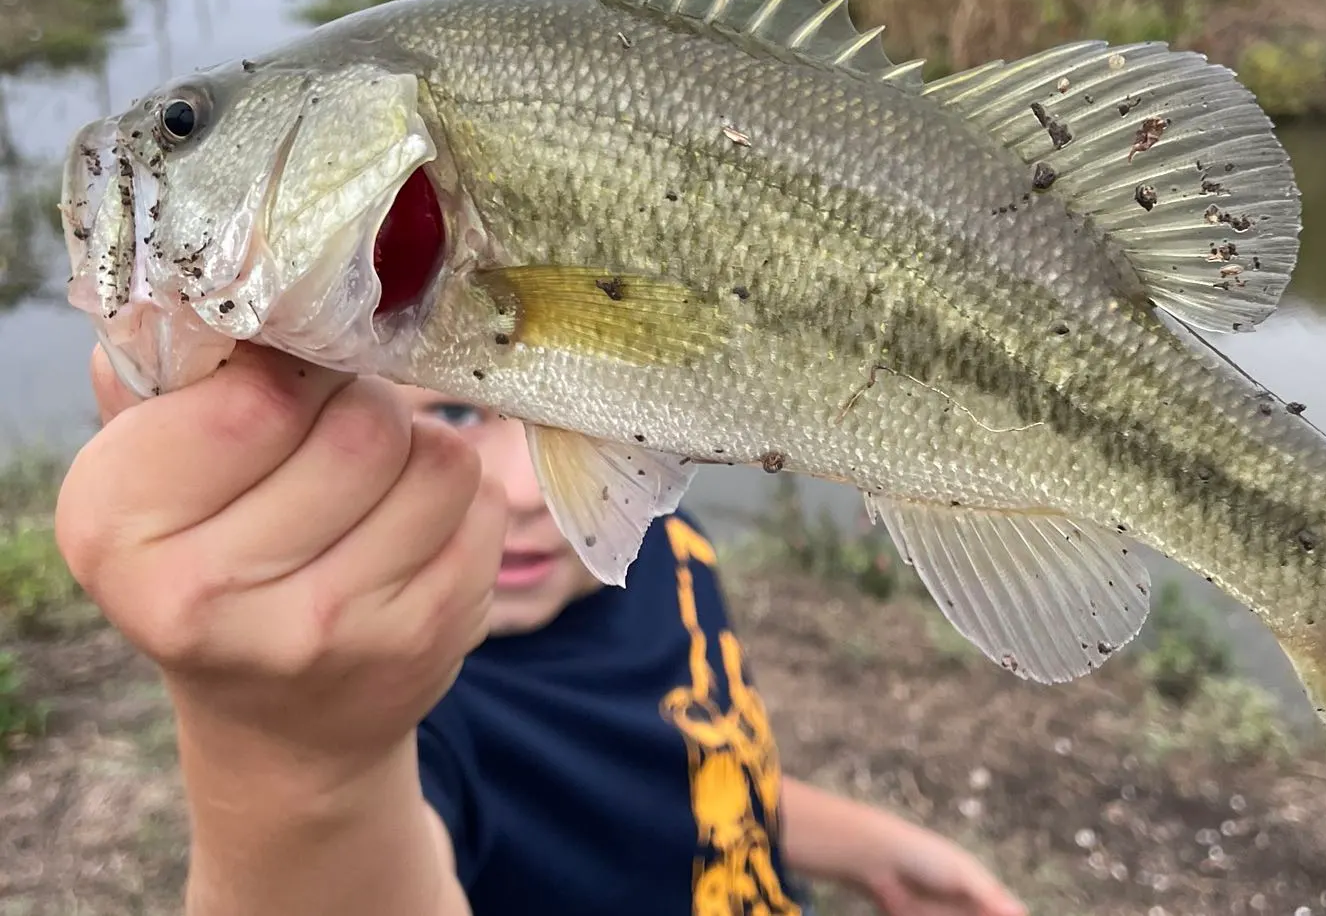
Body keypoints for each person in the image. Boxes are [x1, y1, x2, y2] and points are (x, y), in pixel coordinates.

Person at [55, 344, 1029, 916]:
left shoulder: (655, 544)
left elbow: (677, 767)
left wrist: (867, 846)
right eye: (454, 409)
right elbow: (345, 865)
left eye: (573, 420)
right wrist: (296, 757)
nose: (530, 493)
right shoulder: (409, 710)